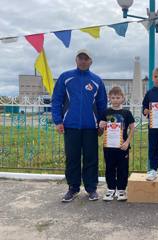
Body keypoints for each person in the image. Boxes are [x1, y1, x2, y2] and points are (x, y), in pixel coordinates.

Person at [52, 49, 107, 202]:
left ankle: (91, 189)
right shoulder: (65, 77)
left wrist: (101, 124)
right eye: (80, 58)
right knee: (72, 158)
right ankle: (73, 188)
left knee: (91, 158)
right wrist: (58, 121)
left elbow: (102, 105)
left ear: (91, 61)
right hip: (71, 126)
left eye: (86, 58)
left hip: (91, 127)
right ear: (76, 60)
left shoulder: (97, 80)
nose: (83, 61)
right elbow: (56, 100)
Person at [99, 86, 135, 201]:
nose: (115, 100)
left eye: (118, 97)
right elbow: (100, 130)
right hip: (109, 147)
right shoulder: (105, 112)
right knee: (109, 168)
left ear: (123, 98)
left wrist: (127, 142)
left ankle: (121, 190)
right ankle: (110, 189)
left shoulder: (127, 113)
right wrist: (100, 125)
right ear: (109, 98)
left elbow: (132, 128)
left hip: (122, 147)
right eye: (113, 97)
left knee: (122, 168)